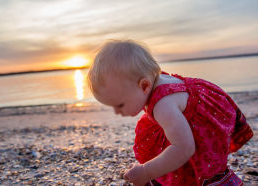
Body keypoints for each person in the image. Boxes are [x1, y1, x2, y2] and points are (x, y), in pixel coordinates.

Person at [87, 40, 253, 186]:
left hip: (205, 126)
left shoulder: (163, 105)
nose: (117, 112)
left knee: (185, 153)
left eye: (120, 104)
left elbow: (184, 148)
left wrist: (146, 172)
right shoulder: (157, 82)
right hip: (197, 114)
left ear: (144, 86)